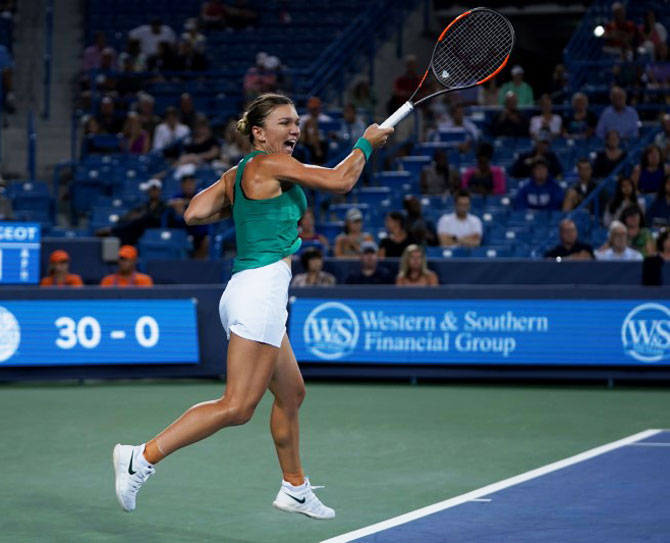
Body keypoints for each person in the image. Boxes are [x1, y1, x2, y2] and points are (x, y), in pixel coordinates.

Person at [112, 93, 392, 517]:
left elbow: (194, 212)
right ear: (259, 133)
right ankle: (141, 457)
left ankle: (294, 487)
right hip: (260, 289)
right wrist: (366, 142)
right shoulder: (270, 164)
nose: (294, 129)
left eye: (296, 122)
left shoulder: (240, 171)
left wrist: (244, 207)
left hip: (251, 289)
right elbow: (340, 181)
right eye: (284, 123)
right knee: (238, 406)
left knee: (291, 392)